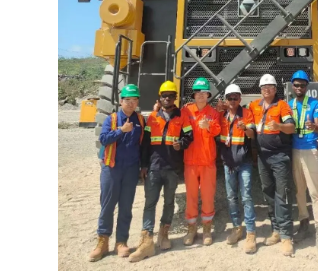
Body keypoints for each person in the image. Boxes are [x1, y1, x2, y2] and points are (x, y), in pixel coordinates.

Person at [129, 81, 194, 262]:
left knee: (169, 202)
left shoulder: (182, 116)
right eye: (165, 96)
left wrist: (181, 143)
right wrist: (143, 165)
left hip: (172, 168)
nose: (167, 98)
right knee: (150, 203)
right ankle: (147, 239)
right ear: (160, 98)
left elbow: (189, 136)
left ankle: (164, 234)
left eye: (171, 96)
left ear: (175, 98)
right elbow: (145, 143)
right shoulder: (152, 117)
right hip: (154, 167)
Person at [89, 84, 146, 262]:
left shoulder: (140, 120)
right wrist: (121, 130)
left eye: (134, 100)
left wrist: (143, 166)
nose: (131, 103)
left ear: (137, 102)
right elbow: (103, 139)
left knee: (126, 206)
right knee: (107, 205)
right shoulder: (112, 119)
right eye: (127, 100)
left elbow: (143, 145)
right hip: (112, 168)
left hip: (130, 169)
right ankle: (102, 242)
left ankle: (121, 242)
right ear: (121, 101)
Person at [249, 74, 296, 256]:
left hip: (279, 156)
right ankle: (275, 229)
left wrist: (279, 126)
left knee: (282, 194)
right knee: (268, 192)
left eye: (269, 87)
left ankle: (286, 236)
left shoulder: (282, 105)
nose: (266, 89)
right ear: (260, 90)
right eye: (263, 87)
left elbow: (291, 128)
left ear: (275, 89)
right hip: (263, 156)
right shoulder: (254, 105)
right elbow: (247, 122)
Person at [287, 70, 318, 258]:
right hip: (295, 150)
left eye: (302, 85)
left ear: (306, 87)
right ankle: (303, 224)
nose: (299, 88)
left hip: (310, 150)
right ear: (292, 86)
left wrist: (314, 126)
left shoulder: (314, 104)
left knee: (315, 192)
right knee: (299, 191)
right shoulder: (288, 105)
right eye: (296, 85)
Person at [181, 77, 222, 246]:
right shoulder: (186, 111)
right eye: (197, 92)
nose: (200, 95)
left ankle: (206, 229)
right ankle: (191, 229)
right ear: (194, 95)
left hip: (207, 162)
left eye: (204, 93)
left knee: (207, 196)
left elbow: (218, 130)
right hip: (190, 162)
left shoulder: (213, 113)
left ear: (208, 95)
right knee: (191, 196)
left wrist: (209, 127)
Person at [218, 83, 258, 253]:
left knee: (246, 196)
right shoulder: (222, 115)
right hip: (228, 163)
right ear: (226, 100)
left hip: (244, 162)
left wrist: (246, 128)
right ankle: (237, 228)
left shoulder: (247, 114)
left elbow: (252, 134)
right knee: (231, 197)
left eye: (235, 97)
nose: (233, 100)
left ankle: (251, 232)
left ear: (240, 99)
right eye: (230, 98)